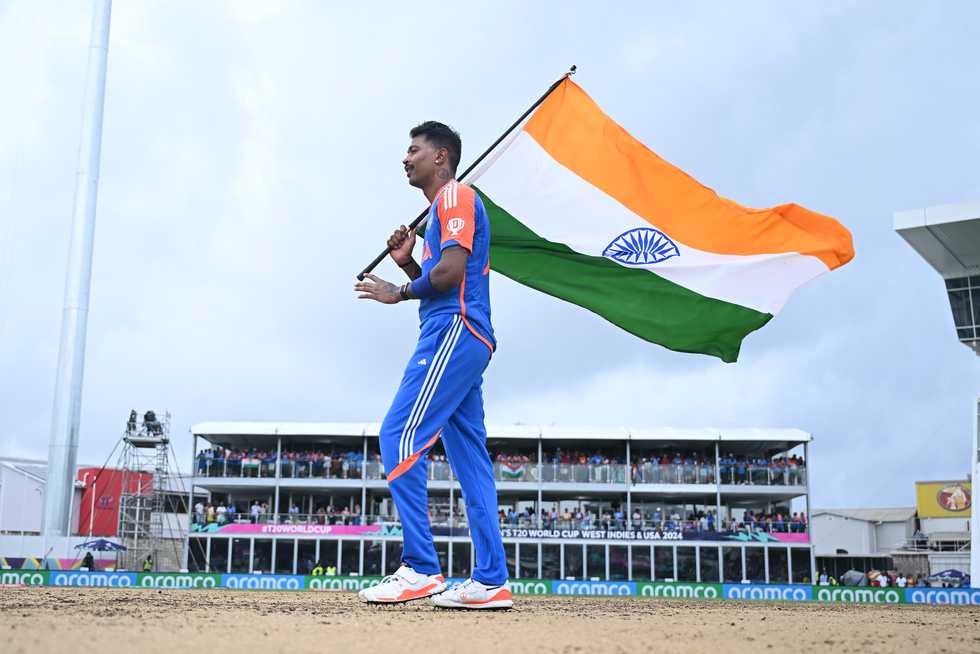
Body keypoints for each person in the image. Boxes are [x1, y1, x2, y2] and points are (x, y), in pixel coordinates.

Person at [353, 122, 510, 610]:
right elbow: (438, 278)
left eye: (414, 149)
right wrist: (406, 264)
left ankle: (420, 567)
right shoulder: (443, 208)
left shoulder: (454, 197)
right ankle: (491, 581)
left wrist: (396, 291)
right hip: (463, 332)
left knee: (398, 435)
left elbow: (450, 275)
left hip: (455, 330)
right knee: (470, 460)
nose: (405, 157)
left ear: (440, 157)